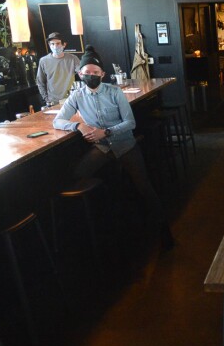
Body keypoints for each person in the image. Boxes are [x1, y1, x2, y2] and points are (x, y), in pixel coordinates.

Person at [53, 46, 173, 251]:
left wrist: (105, 132)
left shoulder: (115, 92)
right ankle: (99, 228)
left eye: (95, 73)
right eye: (87, 73)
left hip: (124, 145)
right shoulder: (77, 96)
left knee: (143, 185)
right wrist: (78, 125)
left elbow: (130, 123)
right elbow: (58, 121)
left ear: (102, 75)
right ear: (80, 74)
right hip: (101, 149)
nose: (90, 76)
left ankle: (164, 231)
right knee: (77, 175)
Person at [36, 32, 80, 106]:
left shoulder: (73, 58)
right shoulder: (43, 61)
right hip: (53, 101)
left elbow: (83, 73)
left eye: (58, 43)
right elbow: (40, 81)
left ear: (64, 44)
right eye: (52, 44)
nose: (55, 46)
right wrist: (46, 99)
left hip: (70, 99)